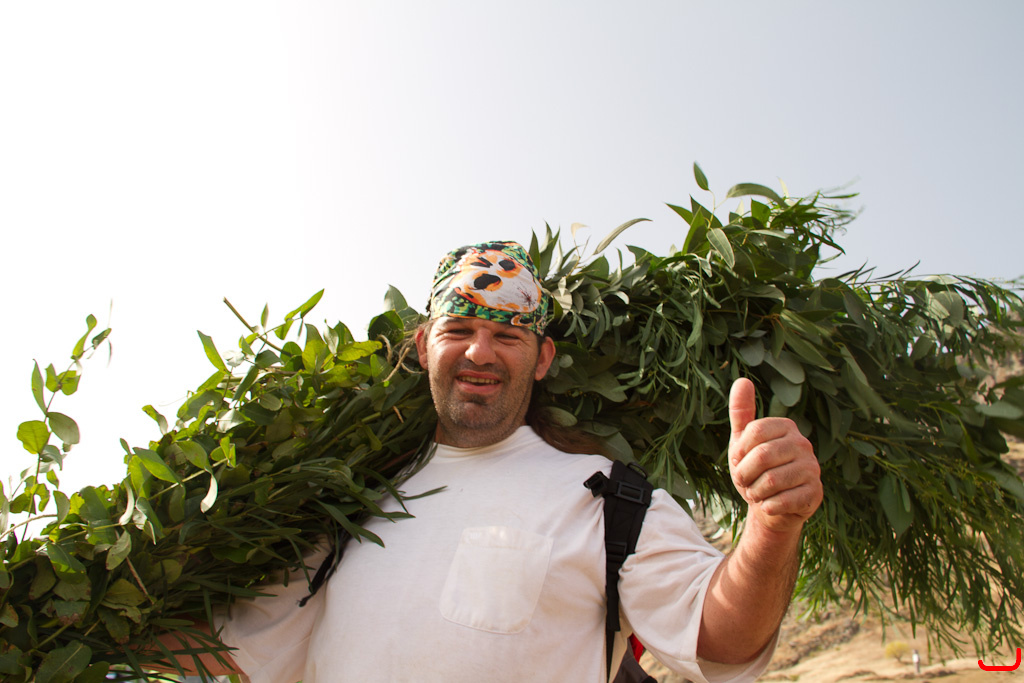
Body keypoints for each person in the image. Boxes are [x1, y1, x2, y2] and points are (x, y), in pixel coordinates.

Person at [191, 241, 822, 682]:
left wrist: (772, 526)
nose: (479, 353)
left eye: (507, 335)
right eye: (459, 330)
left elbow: (719, 640)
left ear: (542, 359)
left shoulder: (606, 498)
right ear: (424, 345)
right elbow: (235, 649)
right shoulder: (348, 501)